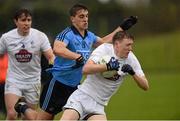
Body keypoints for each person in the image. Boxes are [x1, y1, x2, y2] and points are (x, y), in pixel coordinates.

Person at [14, 3, 137, 120]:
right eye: (81, 16)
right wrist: (75, 56)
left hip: (75, 87)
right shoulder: (67, 34)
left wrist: (121, 28)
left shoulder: (90, 36)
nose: (85, 19)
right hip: (57, 85)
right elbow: (57, 49)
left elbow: (104, 42)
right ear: (73, 19)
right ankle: (22, 107)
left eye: (87, 16)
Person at [60, 31, 149, 120]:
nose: (130, 48)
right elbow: (85, 69)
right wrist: (107, 66)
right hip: (82, 98)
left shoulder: (131, 59)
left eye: (131, 45)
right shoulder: (104, 49)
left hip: (98, 106)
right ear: (117, 44)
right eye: (127, 45)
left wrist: (133, 73)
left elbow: (145, 86)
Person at [0, 8, 55, 120]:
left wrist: (53, 67)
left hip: (33, 81)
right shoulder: (6, 38)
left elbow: (51, 56)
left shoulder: (40, 36)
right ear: (16, 21)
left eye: (29, 20)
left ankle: (22, 107)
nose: (26, 23)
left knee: (29, 116)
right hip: (14, 80)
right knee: (12, 114)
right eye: (23, 20)